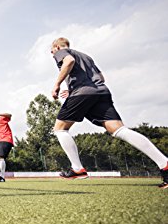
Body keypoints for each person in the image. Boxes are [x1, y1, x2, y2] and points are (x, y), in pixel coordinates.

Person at [50, 37, 168, 188]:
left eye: (52, 50)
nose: (52, 53)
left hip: (82, 92)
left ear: (57, 47)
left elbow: (69, 61)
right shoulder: (87, 57)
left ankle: (77, 168)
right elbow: (101, 77)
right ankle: (164, 163)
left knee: (60, 129)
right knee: (119, 130)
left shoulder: (62, 52)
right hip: (101, 92)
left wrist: (57, 85)